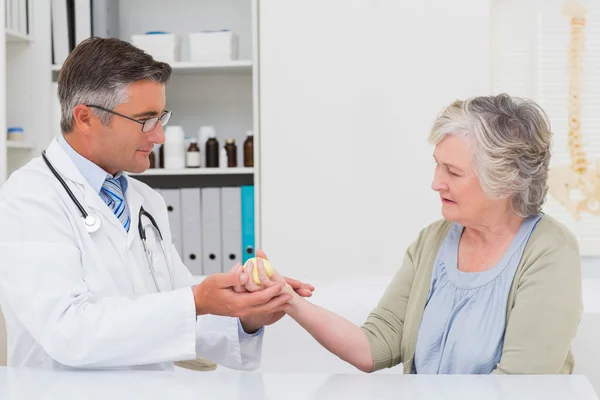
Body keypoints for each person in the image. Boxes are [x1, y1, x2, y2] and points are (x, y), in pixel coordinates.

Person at [0, 37, 313, 371]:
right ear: (85, 118)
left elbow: (175, 312)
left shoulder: (145, 200)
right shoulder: (29, 197)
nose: (159, 136)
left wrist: (246, 312)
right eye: (145, 120)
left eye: (160, 117)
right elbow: (69, 332)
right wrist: (195, 300)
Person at [273, 94, 583, 374]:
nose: (436, 182)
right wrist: (290, 303)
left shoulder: (550, 253)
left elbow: (519, 388)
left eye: (453, 171)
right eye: (437, 166)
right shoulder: (432, 241)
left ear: (507, 180)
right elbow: (374, 345)